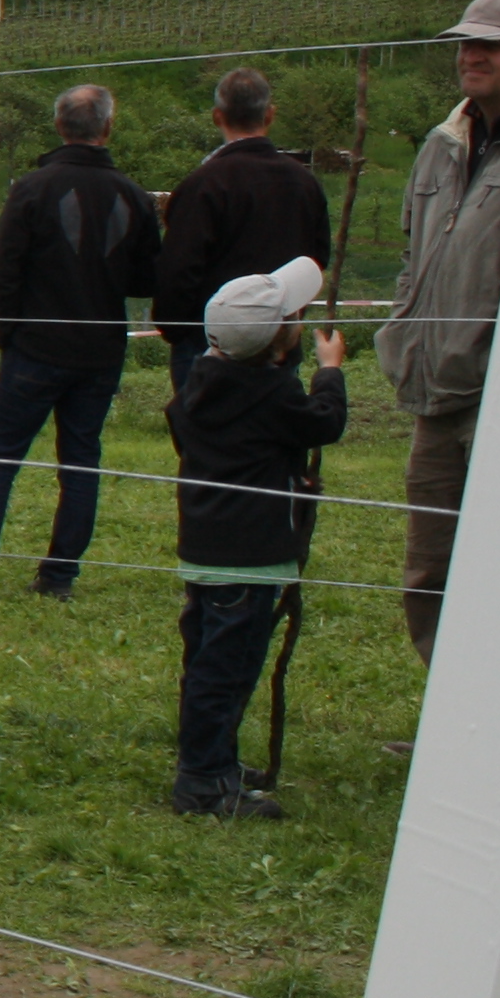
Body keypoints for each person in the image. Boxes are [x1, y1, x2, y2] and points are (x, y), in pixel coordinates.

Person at [380, 0, 500, 661]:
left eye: (491, 44)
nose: (471, 55)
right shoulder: (442, 143)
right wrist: (403, 326)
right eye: (465, 42)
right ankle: (447, 715)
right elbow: (412, 255)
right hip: (437, 394)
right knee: (429, 574)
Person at [165, 261, 346, 819]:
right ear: (280, 340)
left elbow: (236, 443)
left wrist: (284, 472)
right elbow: (325, 423)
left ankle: (210, 758)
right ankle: (203, 783)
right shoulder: (274, 393)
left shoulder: (198, 383)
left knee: (208, 663)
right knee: (229, 670)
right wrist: (329, 371)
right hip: (249, 559)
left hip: (205, 550)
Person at [0, 84, 161, 596]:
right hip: (100, 349)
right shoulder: (134, 196)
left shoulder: (32, 188)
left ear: (59, 125)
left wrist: (7, 333)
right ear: (108, 126)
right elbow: (147, 279)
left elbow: (5, 268)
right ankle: (59, 575)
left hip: (35, 346)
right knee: (81, 460)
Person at [153, 69, 328, 401]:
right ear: (270, 114)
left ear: (217, 116)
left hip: (209, 346)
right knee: (274, 430)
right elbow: (316, 261)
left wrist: (176, 330)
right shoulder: (304, 183)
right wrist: (286, 322)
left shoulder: (203, 185)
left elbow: (178, 269)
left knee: (205, 432)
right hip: (277, 343)